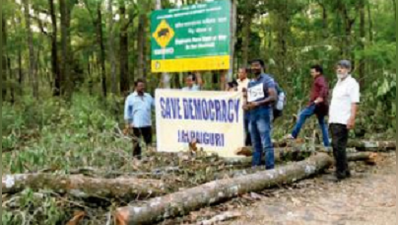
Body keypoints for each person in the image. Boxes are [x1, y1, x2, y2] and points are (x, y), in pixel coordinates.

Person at [329, 60, 360, 180]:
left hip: (343, 119)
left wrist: (351, 118)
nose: (339, 70)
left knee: (338, 146)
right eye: (338, 67)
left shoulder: (352, 83)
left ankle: (340, 172)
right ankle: (345, 170)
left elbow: (354, 102)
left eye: (342, 68)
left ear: (348, 70)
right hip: (334, 119)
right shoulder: (338, 82)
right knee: (336, 146)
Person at [243, 59, 277, 170]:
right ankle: (255, 166)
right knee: (255, 143)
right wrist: (246, 105)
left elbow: (273, 97)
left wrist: (258, 103)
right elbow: (249, 99)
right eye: (252, 66)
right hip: (252, 114)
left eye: (256, 65)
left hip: (263, 113)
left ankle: (270, 167)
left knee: (266, 142)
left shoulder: (268, 80)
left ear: (262, 66)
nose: (254, 68)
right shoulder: (251, 82)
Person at [285, 65, 330, 147]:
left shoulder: (320, 79)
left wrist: (320, 97)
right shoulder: (319, 79)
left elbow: (324, 88)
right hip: (321, 105)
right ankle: (327, 144)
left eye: (313, 72)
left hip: (316, 104)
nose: (311, 74)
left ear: (318, 72)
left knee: (302, 115)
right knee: (322, 123)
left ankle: (293, 134)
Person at [124, 79, 155, 159]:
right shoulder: (130, 98)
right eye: (140, 86)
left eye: (143, 86)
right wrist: (127, 124)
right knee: (136, 143)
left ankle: (150, 159)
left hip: (147, 124)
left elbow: (155, 105)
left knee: (149, 143)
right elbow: (127, 112)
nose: (142, 88)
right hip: (136, 125)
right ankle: (136, 160)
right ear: (136, 87)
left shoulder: (148, 96)